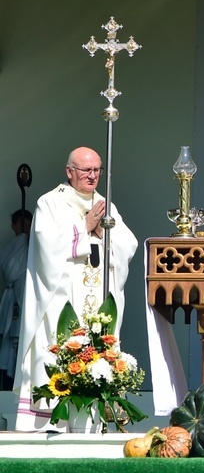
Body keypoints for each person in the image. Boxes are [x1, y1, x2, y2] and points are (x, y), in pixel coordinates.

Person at [13, 146, 138, 431]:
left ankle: (93, 420)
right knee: (56, 351)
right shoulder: (50, 203)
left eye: (97, 170)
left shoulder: (107, 204)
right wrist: (84, 227)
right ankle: (51, 424)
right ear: (70, 172)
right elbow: (46, 246)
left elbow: (127, 244)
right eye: (86, 170)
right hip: (62, 299)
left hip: (96, 299)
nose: (92, 175)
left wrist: (103, 232)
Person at [0, 209, 32, 390]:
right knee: (10, 349)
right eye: (21, 225)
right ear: (13, 226)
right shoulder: (11, 248)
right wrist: (21, 242)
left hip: (28, 304)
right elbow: (9, 272)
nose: (24, 229)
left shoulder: (38, 249)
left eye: (28, 225)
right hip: (13, 304)